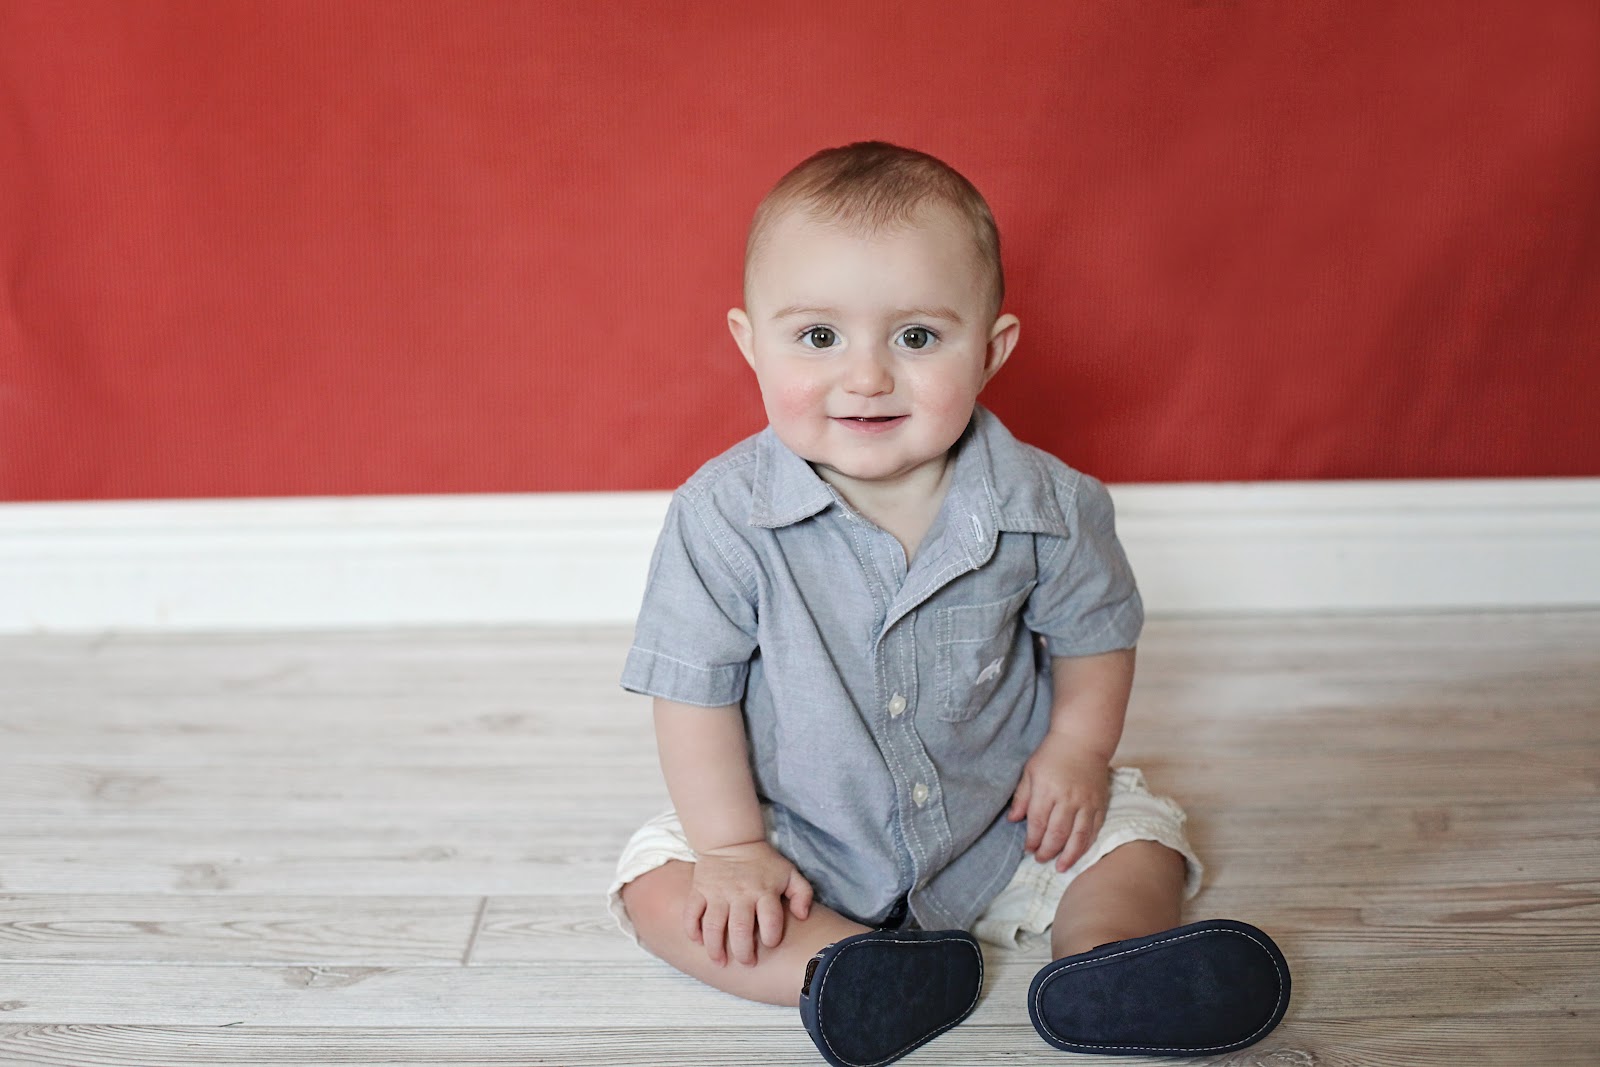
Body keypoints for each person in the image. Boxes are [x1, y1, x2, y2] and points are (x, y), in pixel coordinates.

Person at [608, 141, 1290, 1066]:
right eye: (819, 337)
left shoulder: (1049, 505)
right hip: (798, 835)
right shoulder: (720, 516)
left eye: (918, 338)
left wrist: (1075, 752)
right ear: (749, 343)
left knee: (1139, 838)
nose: (867, 377)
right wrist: (730, 847)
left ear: (991, 350)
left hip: (999, 820)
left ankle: (1105, 960)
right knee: (659, 883)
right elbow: (693, 691)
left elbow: (1095, 636)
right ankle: (845, 966)